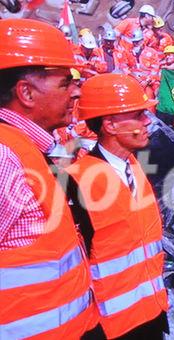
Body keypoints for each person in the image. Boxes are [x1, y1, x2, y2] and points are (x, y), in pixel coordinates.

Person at [0, 18, 98, 338]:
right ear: (26, 92)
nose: (76, 91)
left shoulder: (28, 148)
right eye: (65, 83)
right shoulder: (5, 158)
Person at [66, 73, 169, 339]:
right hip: (111, 329)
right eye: (137, 115)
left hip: (152, 316)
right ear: (110, 124)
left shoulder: (134, 166)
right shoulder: (76, 181)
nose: (147, 122)